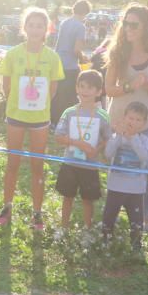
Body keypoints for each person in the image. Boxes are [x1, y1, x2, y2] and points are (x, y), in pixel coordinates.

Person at [104, 3, 148, 238]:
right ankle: (110, 221)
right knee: (120, 168)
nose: (128, 28)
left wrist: (147, 84)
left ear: (146, 27)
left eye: (134, 24)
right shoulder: (117, 51)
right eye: (125, 23)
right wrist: (131, 86)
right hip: (120, 121)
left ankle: (147, 219)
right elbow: (109, 89)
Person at [0, 6, 65, 230]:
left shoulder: (52, 57)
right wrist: (18, 104)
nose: (35, 29)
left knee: (37, 166)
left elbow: (52, 91)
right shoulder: (13, 54)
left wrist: (36, 106)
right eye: (31, 25)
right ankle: (7, 206)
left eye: (40, 25)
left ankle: (37, 212)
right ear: (24, 27)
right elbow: (6, 87)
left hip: (39, 119)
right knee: (12, 164)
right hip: (15, 115)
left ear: (47, 29)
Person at [53, 69, 111, 234]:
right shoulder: (69, 112)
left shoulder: (103, 116)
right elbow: (58, 137)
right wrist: (77, 143)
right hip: (70, 163)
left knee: (88, 200)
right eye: (82, 86)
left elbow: (108, 138)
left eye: (91, 88)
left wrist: (96, 149)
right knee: (67, 197)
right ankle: (63, 228)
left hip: (90, 166)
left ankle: (87, 230)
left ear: (99, 92)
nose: (85, 91)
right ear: (76, 88)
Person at [101, 102, 148, 250]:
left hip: (136, 189)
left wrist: (133, 138)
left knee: (136, 220)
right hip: (115, 186)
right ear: (124, 118)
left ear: (143, 124)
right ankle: (106, 241)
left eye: (138, 120)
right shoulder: (116, 136)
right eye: (130, 118)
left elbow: (144, 157)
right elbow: (108, 153)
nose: (133, 122)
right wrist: (118, 136)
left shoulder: (145, 140)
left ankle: (136, 245)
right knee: (109, 216)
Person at [51, 0, 90, 126]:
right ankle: (65, 123)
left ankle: (53, 121)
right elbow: (76, 50)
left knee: (56, 94)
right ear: (85, 13)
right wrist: (84, 58)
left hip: (57, 61)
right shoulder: (80, 27)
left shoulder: (64, 22)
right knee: (69, 96)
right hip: (70, 66)